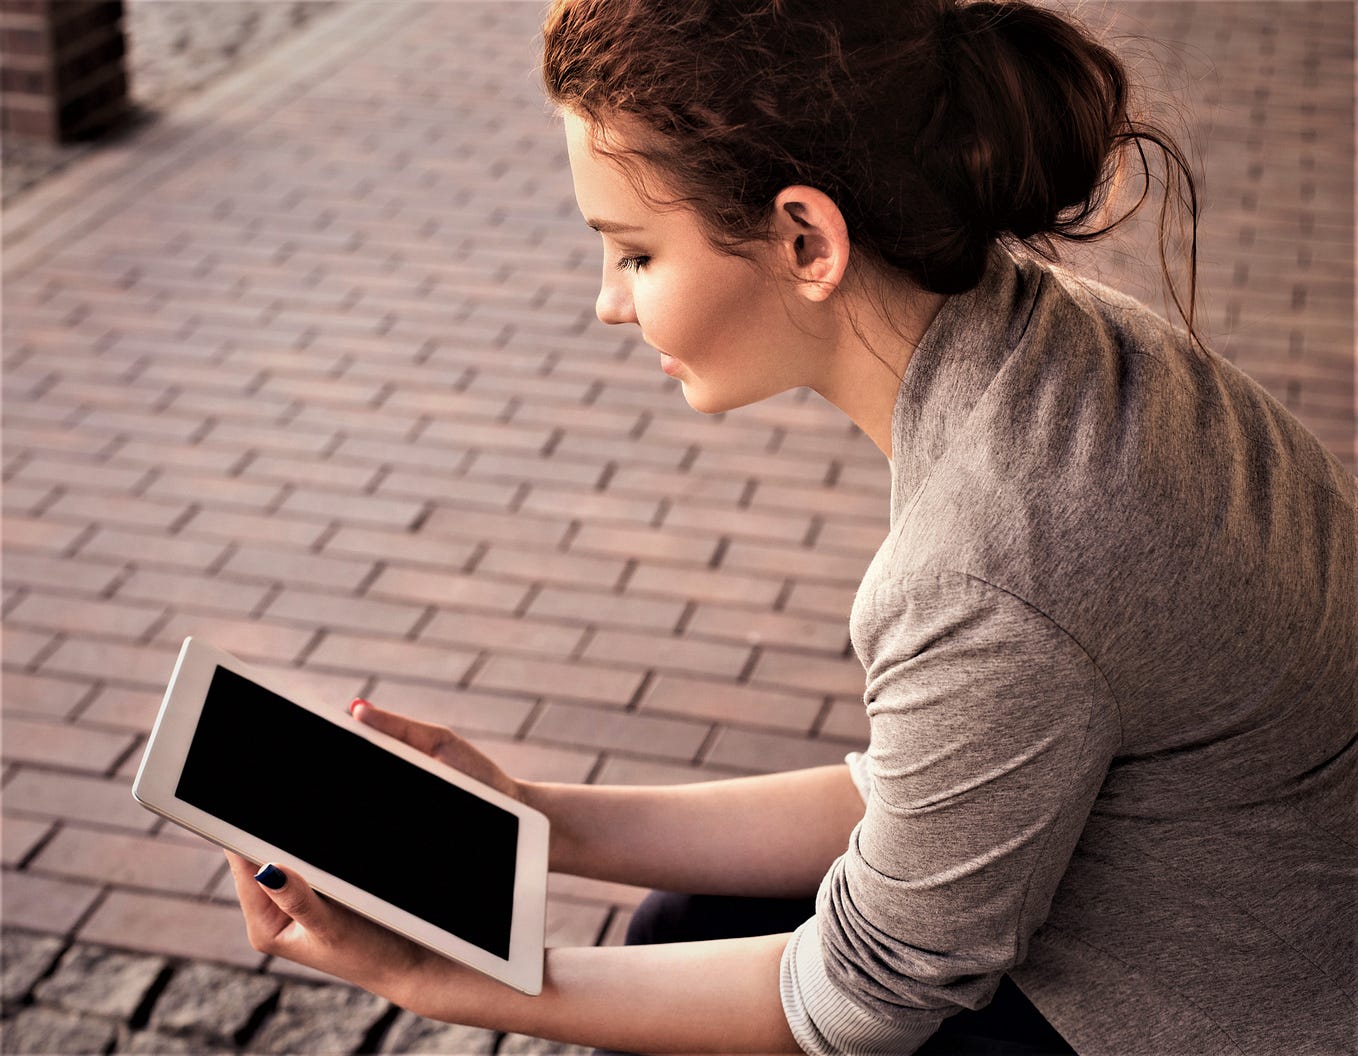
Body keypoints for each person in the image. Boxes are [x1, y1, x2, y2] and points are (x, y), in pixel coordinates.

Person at [226, 1, 1358, 1053]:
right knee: (687, 918)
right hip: (1241, 936)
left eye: (634, 253)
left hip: (1201, 1021)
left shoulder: (987, 558)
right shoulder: (1054, 349)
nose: (608, 301)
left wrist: (435, 981)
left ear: (806, 241)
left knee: (683, 953)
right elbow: (923, 784)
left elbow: (865, 999)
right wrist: (533, 820)